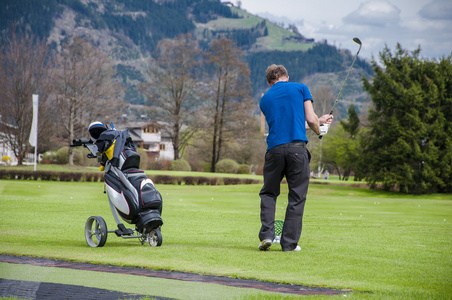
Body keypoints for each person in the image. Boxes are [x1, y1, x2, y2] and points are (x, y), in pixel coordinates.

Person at [258, 64, 333, 252]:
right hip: (297, 151)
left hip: (274, 150)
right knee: (297, 197)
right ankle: (289, 245)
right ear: (287, 77)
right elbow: (309, 119)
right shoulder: (301, 88)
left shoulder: (265, 99)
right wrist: (320, 130)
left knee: (268, 193)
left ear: (269, 82)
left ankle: (266, 236)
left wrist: (320, 121)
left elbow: (289, 124)